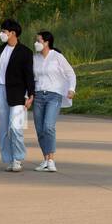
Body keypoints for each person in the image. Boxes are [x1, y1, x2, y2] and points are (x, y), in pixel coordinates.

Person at [0, 18, 36, 172]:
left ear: (13, 33)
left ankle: (18, 158)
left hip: (19, 93)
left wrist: (31, 94)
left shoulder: (25, 52)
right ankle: (8, 159)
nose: (1, 34)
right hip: (0, 90)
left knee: (16, 127)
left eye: (4, 31)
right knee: (3, 128)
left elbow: (29, 75)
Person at [31, 31, 76, 173]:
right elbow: (31, 78)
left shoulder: (57, 57)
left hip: (53, 95)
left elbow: (70, 73)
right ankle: (45, 159)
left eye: (38, 40)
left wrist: (71, 89)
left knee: (48, 126)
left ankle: (51, 160)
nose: (36, 43)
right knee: (40, 129)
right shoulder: (34, 58)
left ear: (46, 42)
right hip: (38, 95)